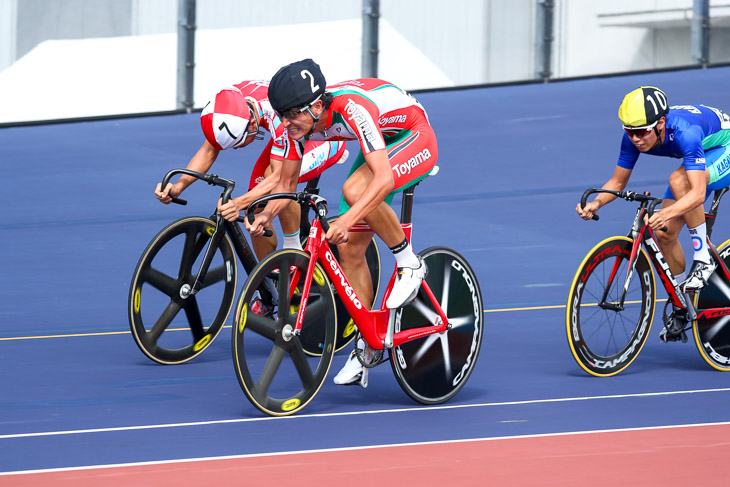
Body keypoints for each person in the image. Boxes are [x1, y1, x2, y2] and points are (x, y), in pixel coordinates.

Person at [246, 59, 438, 386]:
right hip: (381, 141)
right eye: (281, 115)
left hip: (413, 134)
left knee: (355, 190)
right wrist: (266, 214)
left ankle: (409, 262)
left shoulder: (353, 109)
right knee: (349, 250)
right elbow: (287, 186)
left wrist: (347, 219)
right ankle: (368, 346)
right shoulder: (296, 125)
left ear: (317, 105)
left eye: (292, 115)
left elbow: (383, 179)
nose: (285, 123)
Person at [154, 81, 348, 313]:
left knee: (275, 184)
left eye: (238, 145)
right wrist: (179, 186)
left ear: (253, 124)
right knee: (255, 209)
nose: (237, 150)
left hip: (322, 140)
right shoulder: (232, 103)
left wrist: (238, 202)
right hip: (292, 139)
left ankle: (293, 259)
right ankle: (271, 281)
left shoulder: (275, 117)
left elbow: (280, 178)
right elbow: (209, 149)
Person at [577, 86, 730, 339]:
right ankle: (683, 300)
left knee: (680, 181)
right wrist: (596, 204)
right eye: (629, 131)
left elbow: (698, 194)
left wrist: (667, 213)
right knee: (663, 233)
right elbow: (617, 182)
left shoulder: (685, 132)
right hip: (704, 152)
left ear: (660, 123)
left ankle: (703, 259)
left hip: (726, 146)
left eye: (641, 132)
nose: (635, 138)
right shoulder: (633, 136)